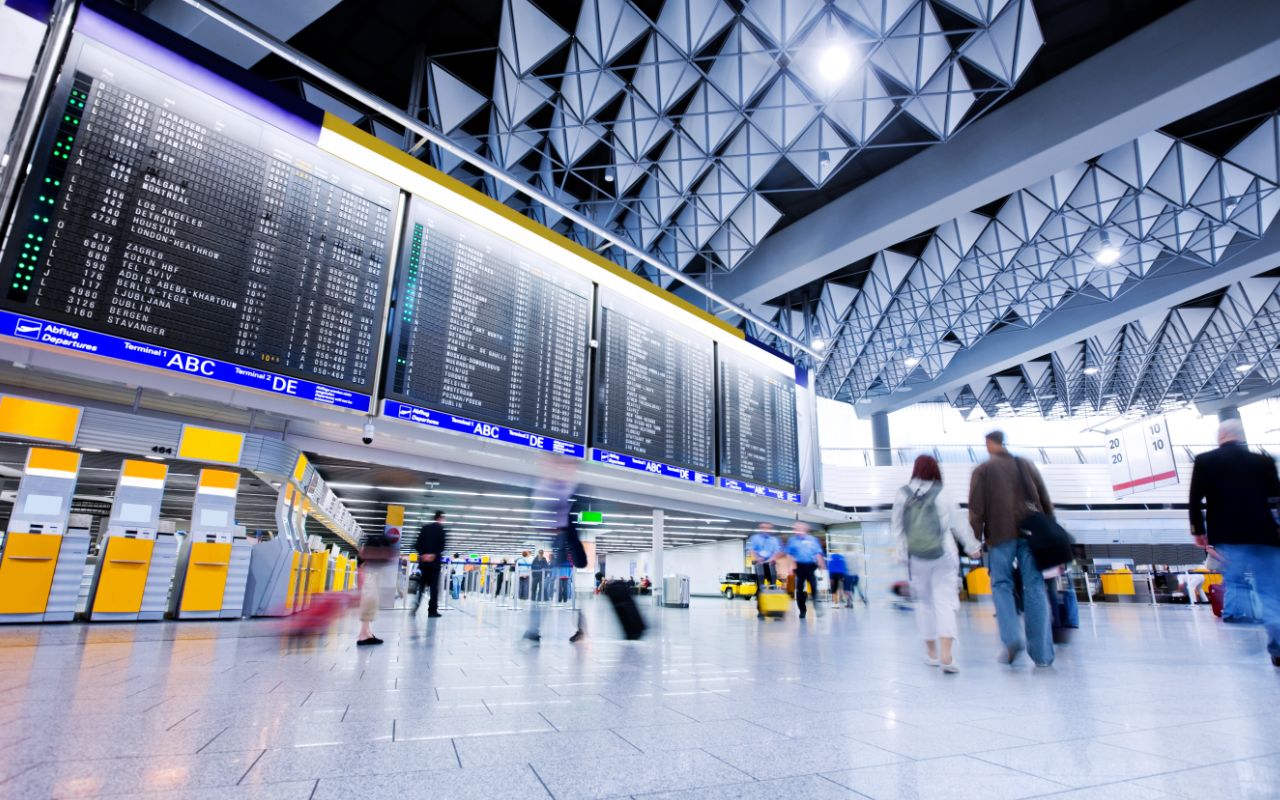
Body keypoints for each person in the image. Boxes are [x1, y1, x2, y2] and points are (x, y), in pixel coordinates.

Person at [1189, 419, 1280, 667]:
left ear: (1221, 436)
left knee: (1236, 581)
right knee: (1271, 591)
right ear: (1241, 437)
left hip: (1228, 534)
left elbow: (1195, 499)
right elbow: (1276, 498)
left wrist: (1198, 530)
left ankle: (1239, 619)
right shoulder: (1263, 461)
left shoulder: (1206, 461)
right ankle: (1278, 643)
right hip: (1265, 535)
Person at [969, 430, 1055, 667]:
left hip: (1000, 535)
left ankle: (1011, 638)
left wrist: (974, 540)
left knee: (1001, 585)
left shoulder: (983, 471)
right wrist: (1050, 529)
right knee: (1035, 587)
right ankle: (1043, 655)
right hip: (1031, 533)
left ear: (989, 444)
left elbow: (976, 509)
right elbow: (1044, 499)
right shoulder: (1025, 465)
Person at [893, 455, 981, 673]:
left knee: (924, 604)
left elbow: (897, 529)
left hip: (916, 557)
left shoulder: (902, 494)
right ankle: (947, 655)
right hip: (944, 554)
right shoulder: (943, 492)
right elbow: (960, 523)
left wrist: (903, 555)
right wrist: (972, 547)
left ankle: (931, 653)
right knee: (945, 602)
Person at [785, 523, 825, 619]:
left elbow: (818, 553)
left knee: (814, 586)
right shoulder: (792, 540)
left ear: (805, 530)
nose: (798, 531)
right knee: (799, 589)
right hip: (799, 566)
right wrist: (790, 567)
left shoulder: (813, 540)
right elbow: (789, 554)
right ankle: (802, 610)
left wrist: (822, 565)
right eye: (796, 529)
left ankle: (817, 607)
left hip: (811, 566)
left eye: (800, 529)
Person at [412, 511, 446, 618]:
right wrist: (433, 555)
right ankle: (432, 611)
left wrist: (422, 554)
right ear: (440, 518)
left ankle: (415, 605)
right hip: (434, 564)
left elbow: (416, 544)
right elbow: (441, 547)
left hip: (424, 563)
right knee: (433, 589)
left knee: (421, 586)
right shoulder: (441, 530)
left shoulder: (424, 528)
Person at [746, 523, 782, 619]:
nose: (767, 530)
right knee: (761, 587)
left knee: (773, 587)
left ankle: (775, 611)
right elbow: (752, 551)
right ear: (761, 529)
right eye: (764, 528)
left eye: (768, 528)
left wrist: (772, 559)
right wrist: (756, 559)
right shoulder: (755, 538)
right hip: (760, 564)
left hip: (770, 564)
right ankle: (761, 611)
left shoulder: (774, 540)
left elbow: (777, 552)